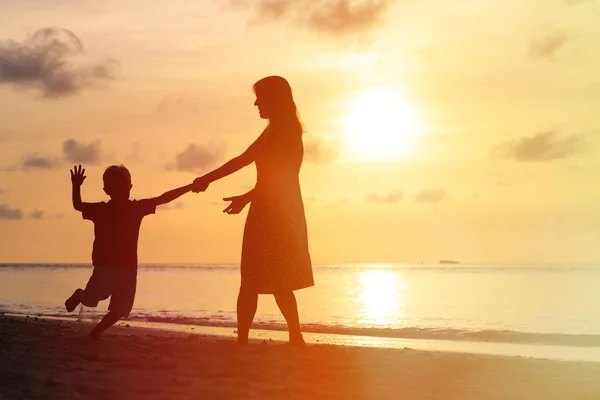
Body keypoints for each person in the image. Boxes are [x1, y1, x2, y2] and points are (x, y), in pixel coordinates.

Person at [192, 76, 313, 345]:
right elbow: (243, 160)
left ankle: (292, 337)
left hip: (280, 212)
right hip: (265, 209)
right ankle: (253, 340)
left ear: (275, 99)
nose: (256, 103)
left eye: (261, 97)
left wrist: (247, 197)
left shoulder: (287, 133)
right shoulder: (272, 130)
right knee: (254, 278)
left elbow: (283, 179)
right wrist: (206, 179)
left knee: (275, 279)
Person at [64, 164, 194, 339]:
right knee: (92, 300)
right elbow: (78, 205)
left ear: (130, 187)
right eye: (116, 186)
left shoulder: (136, 208)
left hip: (128, 266)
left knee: (121, 308)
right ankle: (80, 295)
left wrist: (190, 187)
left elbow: (164, 198)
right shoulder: (101, 209)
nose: (122, 189)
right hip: (104, 265)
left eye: (125, 185)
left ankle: (96, 332)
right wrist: (76, 185)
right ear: (107, 190)